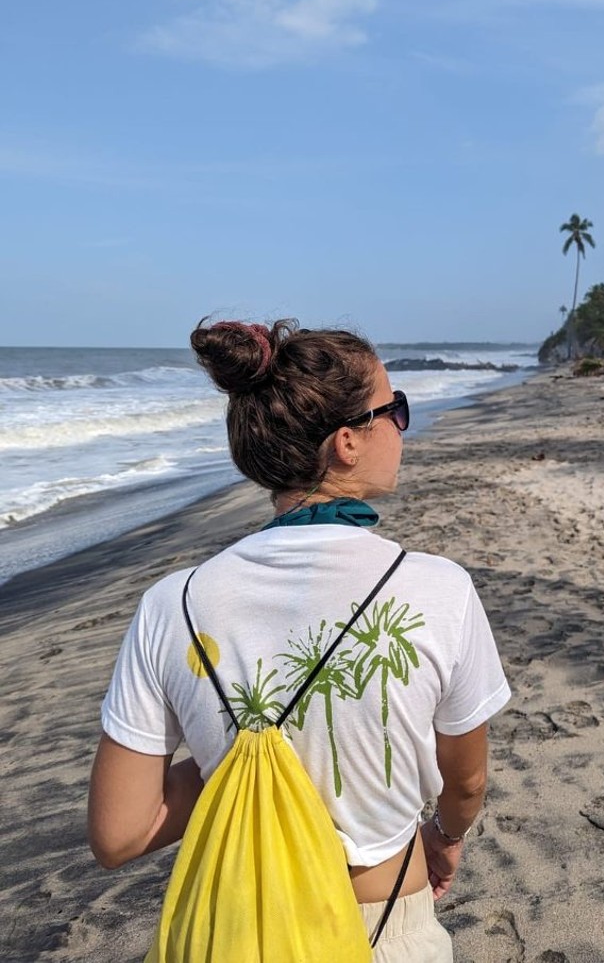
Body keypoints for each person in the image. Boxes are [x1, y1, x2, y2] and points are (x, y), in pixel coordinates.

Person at [88, 319, 511, 960]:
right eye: (393, 409)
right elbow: (467, 780)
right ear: (346, 442)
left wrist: (233, 757)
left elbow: (119, 835)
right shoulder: (437, 590)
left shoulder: (170, 604)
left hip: (237, 931)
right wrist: (446, 836)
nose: (403, 425)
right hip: (384, 924)